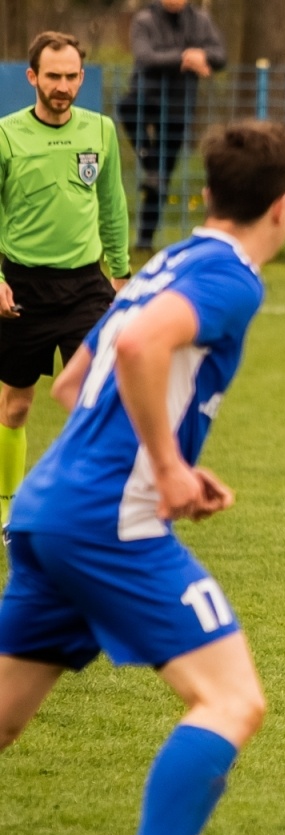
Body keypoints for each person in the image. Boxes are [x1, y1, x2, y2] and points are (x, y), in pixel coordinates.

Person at [0, 120, 285, 835]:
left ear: (207, 195)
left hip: (51, 505)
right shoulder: (230, 279)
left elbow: (73, 382)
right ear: (283, 207)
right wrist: (167, 470)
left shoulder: (167, 261)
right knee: (232, 701)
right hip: (109, 520)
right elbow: (136, 349)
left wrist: (160, 461)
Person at [0, 31, 130, 526]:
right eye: (53, 76)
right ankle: (10, 511)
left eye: (72, 76)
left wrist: (120, 274)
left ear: (81, 76)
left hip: (85, 287)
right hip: (23, 288)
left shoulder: (100, 130)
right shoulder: (6, 135)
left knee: (94, 401)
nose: (63, 85)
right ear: (33, 77)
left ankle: (86, 509)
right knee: (16, 405)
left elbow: (112, 206)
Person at [119, 0, 227, 253]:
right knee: (127, 111)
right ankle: (149, 164)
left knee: (161, 178)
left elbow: (220, 56)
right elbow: (145, 56)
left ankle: (145, 240)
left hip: (180, 106)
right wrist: (185, 58)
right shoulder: (144, 20)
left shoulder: (201, 21)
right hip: (144, 98)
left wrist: (202, 56)